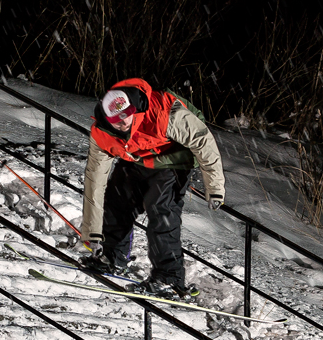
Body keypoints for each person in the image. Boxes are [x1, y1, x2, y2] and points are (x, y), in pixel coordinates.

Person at [79, 77, 224, 300]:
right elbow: (94, 180)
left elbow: (203, 141)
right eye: (116, 121)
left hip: (173, 159)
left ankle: (169, 278)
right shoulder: (102, 133)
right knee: (117, 200)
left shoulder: (167, 114)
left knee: (161, 211)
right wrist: (92, 233)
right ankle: (112, 257)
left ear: (133, 108)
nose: (123, 123)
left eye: (126, 116)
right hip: (137, 158)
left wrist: (214, 187)